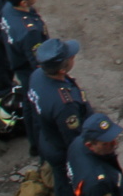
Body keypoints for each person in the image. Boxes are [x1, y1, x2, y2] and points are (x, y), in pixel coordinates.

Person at [28, 38, 92, 175]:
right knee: (66, 189)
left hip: (46, 137)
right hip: (61, 151)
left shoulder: (37, 75)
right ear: (62, 69)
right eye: (71, 57)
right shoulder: (64, 104)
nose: (73, 57)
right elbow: (73, 139)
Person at [0, 0, 47, 95]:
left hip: (16, 59)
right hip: (27, 70)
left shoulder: (8, 8)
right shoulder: (30, 31)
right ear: (23, 3)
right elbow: (38, 63)